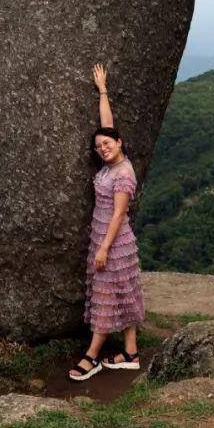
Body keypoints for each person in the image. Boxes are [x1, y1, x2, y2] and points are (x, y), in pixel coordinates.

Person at [68, 62, 145, 380]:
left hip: (113, 242)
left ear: (121, 143)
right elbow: (107, 127)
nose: (103, 148)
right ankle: (131, 353)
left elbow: (118, 213)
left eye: (108, 144)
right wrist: (103, 91)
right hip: (109, 240)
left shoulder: (124, 174)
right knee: (123, 293)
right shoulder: (112, 157)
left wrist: (103, 249)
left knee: (104, 295)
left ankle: (92, 356)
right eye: (98, 146)